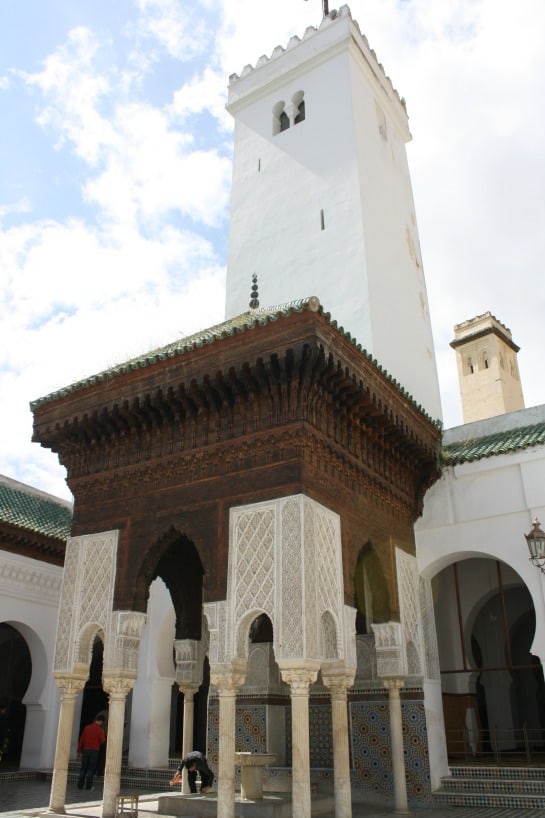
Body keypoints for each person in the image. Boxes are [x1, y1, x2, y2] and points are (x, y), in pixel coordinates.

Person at [77, 714, 106, 790]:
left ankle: (80, 785)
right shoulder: (100, 730)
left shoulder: (87, 728)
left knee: (83, 768)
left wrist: (79, 751)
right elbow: (102, 741)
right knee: (91, 769)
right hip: (94, 751)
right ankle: (88, 786)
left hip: (86, 750)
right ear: (100, 721)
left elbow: (82, 740)